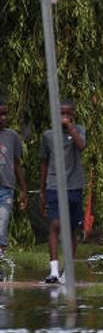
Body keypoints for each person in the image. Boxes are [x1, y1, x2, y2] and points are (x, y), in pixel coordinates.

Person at [40, 100, 86, 284]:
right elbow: (43, 162)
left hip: (74, 186)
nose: (64, 117)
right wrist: (42, 190)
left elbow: (82, 146)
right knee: (55, 225)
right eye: (61, 114)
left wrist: (70, 127)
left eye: (68, 114)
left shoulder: (79, 130)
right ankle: (53, 271)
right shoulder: (48, 136)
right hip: (54, 185)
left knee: (72, 230)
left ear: (73, 115)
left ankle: (68, 272)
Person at [0, 98, 27, 258]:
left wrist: (23, 190)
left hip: (6, 189)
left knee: (2, 226)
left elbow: (17, 164)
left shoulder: (12, 137)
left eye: (5, 114)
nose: (3, 118)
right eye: (0, 114)